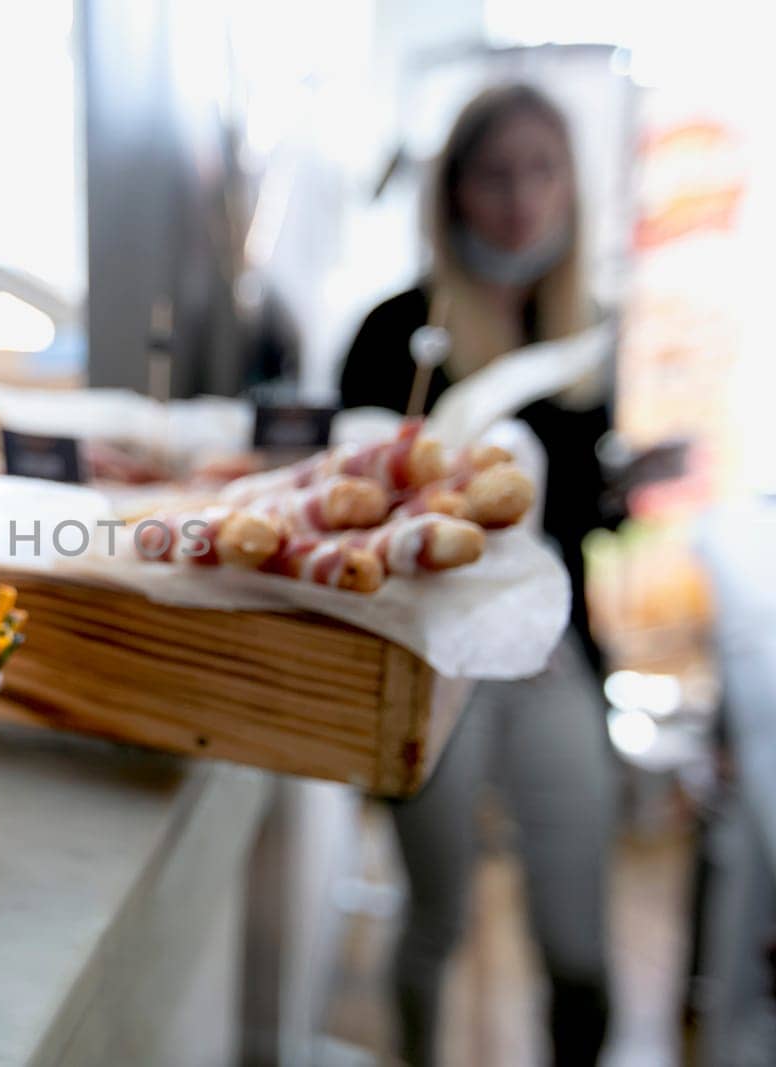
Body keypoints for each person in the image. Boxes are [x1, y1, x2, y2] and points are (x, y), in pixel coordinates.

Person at [340, 84, 620, 1066]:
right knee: (434, 915)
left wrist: (619, 489)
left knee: (580, 927)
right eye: (496, 172)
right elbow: (358, 511)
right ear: (454, 189)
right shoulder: (395, 334)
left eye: (542, 170)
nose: (521, 197)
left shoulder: (590, 338)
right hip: (434, 661)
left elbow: (582, 519)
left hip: (552, 657)